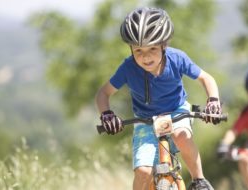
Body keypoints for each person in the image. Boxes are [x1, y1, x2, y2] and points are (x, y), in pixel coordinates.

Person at [95, 7, 222, 190]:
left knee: (181, 136)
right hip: (145, 120)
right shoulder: (128, 68)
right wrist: (106, 114)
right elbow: (103, 93)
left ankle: (198, 180)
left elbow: (206, 78)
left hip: (177, 111)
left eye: (152, 48)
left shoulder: (177, 58)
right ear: (131, 49)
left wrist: (213, 101)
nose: (145, 56)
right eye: (138, 50)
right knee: (144, 172)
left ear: (164, 45)